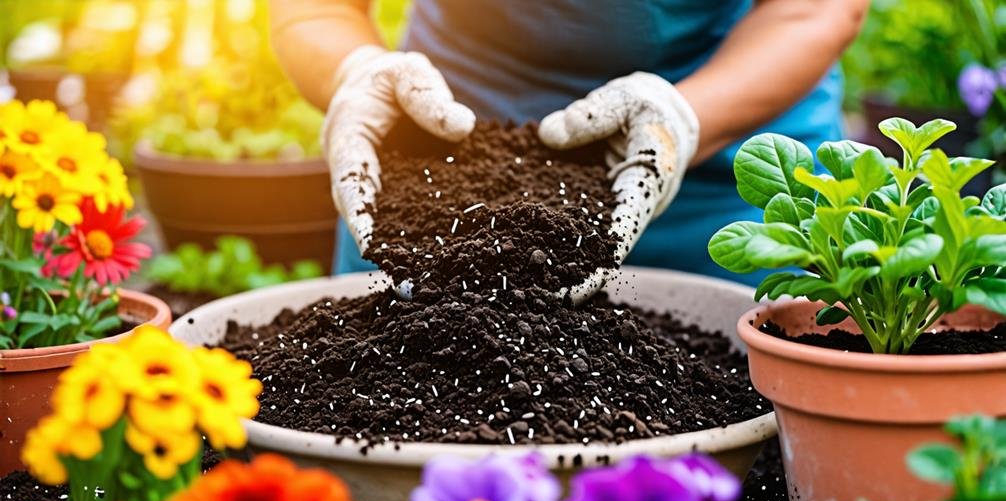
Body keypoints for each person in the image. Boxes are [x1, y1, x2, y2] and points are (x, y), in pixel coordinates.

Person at [269, 0, 868, 290]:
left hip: (726, 138)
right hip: (445, 149)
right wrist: (354, 71)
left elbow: (813, 9)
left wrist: (681, 121)